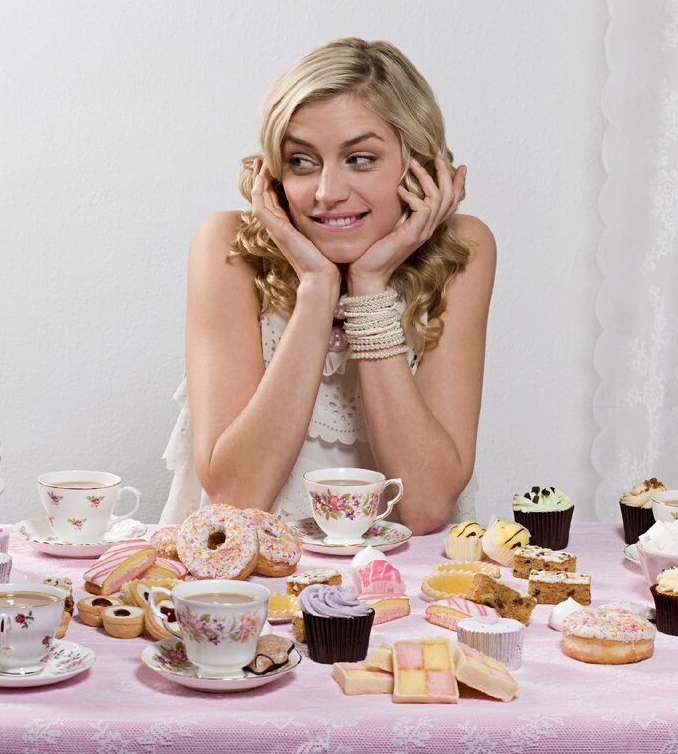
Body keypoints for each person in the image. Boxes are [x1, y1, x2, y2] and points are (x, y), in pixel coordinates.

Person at [161, 37, 495, 536]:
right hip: (252, 574)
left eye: (360, 158)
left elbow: (424, 506)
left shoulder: (463, 249)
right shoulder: (227, 246)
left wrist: (369, 286)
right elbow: (237, 498)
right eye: (301, 160)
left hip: (404, 576)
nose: (327, 193)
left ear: (418, 164)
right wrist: (317, 289)